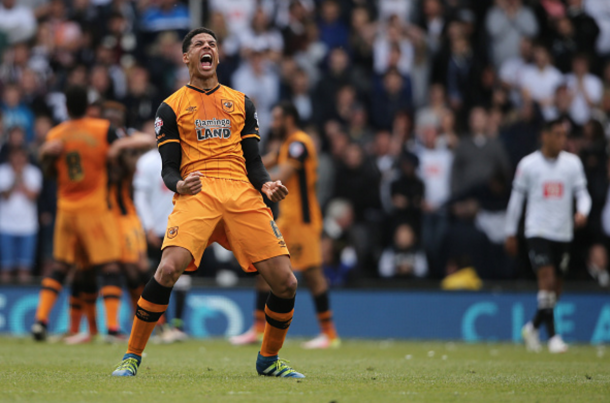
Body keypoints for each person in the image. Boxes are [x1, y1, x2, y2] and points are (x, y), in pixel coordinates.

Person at [112, 27, 304, 378]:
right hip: (196, 191)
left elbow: (254, 162)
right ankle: (131, 356)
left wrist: (267, 184)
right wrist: (180, 184)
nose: (207, 48)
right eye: (199, 44)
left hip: (240, 191)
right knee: (168, 269)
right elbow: (168, 168)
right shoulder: (170, 107)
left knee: (286, 282)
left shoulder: (242, 102)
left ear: (218, 56)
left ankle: (269, 359)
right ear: (186, 57)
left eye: (212, 44)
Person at [31, 85, 153, 342]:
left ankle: (40, 320)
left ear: (65, 108)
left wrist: (43, 152)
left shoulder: (57, 134)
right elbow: (146, 141)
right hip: (96, 210)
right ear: (88, 106)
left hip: (66, 209)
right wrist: (118, 148)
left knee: (62, 267)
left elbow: (49, 171)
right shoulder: (101, 130)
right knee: (110, 267)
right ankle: (110, 328)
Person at [230, 102, 340, 349]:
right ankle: (258, 329)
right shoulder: (286, 145)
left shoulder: (299, 143)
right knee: (265, 267)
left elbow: (284, 172)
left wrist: (259, 184)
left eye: (278, 118)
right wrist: (235, 171)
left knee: (312, 275)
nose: (274, 123)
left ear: (289, 119)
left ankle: (329, 334)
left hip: (303, 221)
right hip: (286, 220)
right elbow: (263, 163)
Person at [505, 118, 591, 353]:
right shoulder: (529, 165)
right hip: (537, 230)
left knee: (557, 287)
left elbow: (583, 194)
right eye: (557, 134)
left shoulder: (572, 164)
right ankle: (553, 338)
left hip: (563, 233)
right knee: (547, 277)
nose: (562, 139)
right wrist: (510, 231)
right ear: (545, 136)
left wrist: (582, 212)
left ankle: (532, 327)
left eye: (564, 135)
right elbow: (516, 201)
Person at [133, 129, 190, 344]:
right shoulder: (147, 161)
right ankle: (160, 325)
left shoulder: (187, 156)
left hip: (181, 226)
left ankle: (177, 325)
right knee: (158, 277)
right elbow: (140, 197)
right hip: (156, 230)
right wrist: (147, 227)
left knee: (183, 277)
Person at [0, 147, 42, 284]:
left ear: (26, 158)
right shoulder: (2, 171)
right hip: (5, 226)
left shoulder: (34, 172)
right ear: (10, 157)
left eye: (21, 156)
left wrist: (21, 179)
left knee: (25, 268)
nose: (18, 160)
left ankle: (22, 297)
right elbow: (5, 195)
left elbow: (32, 196)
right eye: (15, 156)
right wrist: (14, 180)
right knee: (6, 268)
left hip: (28, 227)